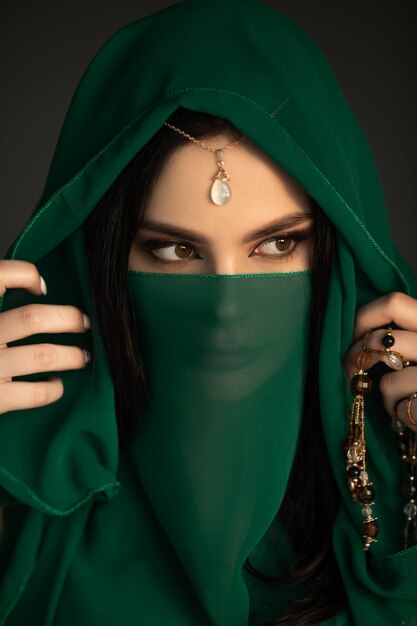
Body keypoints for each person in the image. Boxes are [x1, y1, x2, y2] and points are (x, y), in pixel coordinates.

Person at [0, 0, 416, 624]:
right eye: (173, 249)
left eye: (277, 244)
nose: (225, 306)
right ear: (102, 264)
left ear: (338, 255)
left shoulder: (395, 491)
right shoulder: (27, 499)